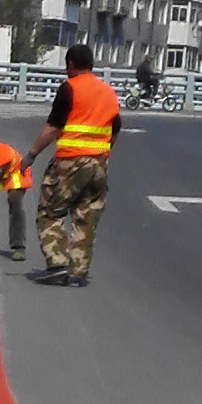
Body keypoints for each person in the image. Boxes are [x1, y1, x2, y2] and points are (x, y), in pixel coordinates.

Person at [29, 43, 123, 287]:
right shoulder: (108, 92)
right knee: (86, 217)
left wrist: (32, 154)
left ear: (70, 64)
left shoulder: (70, 88)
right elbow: (115, 127)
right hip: (99, 164)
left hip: (70, 162)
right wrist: (102, 152)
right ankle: (77, 272)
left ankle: (57, 264)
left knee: (50, 211)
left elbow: (54, 126)